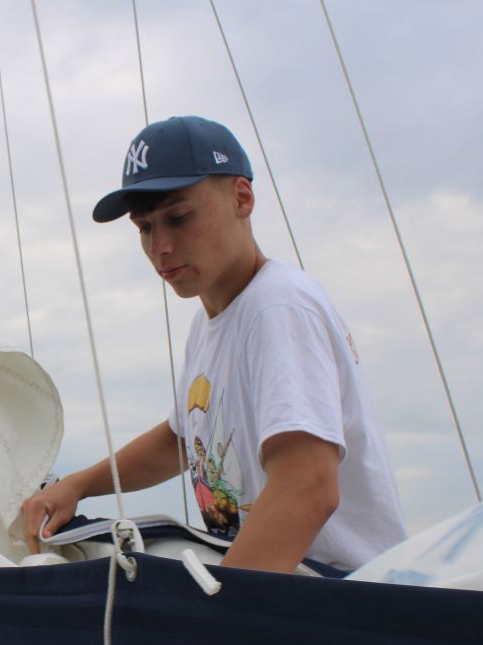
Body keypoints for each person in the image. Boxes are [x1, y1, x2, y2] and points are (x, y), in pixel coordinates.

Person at [21, 115, 406, 578]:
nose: (160, 246)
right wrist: (77, 485)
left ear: (242, 198)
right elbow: (182, 440)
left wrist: (218, 609)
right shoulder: (212, 323)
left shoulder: (277, 306)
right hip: (285, 578)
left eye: (178, 218)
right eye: (144, 227)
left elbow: (307, 485)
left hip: (340, 590)